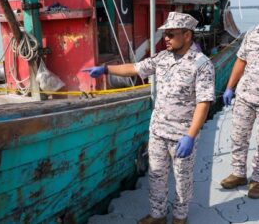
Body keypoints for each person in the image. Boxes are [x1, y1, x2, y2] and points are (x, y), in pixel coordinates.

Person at [83, 12, 215, 224]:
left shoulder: (202, 64)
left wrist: (190, 136)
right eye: (165, 34)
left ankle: (180, 217)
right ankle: (158, 215)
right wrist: (106, 69)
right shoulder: (162, 58)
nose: (166, 38)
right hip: (158, 132)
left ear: (188, 35)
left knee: (182, 180)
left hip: (182, 136)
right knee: (156, 176)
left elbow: (204, 103)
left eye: (171, 34)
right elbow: (134, 69)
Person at [220, 25, 259, 199]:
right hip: (245, 96)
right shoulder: (252, 33)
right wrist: (230, 87)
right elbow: (241, 61)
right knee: (238, 136)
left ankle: (257, 179)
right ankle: (238, 173)